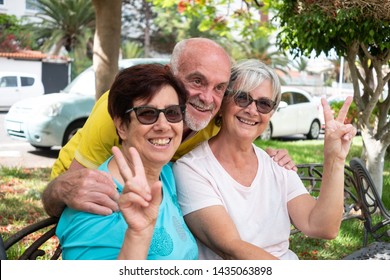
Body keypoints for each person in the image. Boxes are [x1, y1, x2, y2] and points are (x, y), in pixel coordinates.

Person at [42, 38, 296, 218]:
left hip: (157, 203)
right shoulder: (120, 113)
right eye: (197, 81)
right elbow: (73, 189)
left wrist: (273, 155)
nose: (207, 98)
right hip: (97, 198)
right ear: (170, 74)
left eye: (219, 87)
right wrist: (58, 191)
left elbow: (241, 140)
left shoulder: (212, 119)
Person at [172, 59, 357, 260]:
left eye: (264, 104)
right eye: (242, 98)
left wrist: (335, 159)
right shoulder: (191, 169)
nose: (252, 110)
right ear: (223, 102)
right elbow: (233, 249)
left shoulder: (277, 164)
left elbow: (322, 227)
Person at [56, 63, 198, 260]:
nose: (164, 125)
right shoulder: (96, 202)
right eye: (147, 113)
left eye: (173, 113)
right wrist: (138, 234)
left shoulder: (167, 174)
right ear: (122, 126)